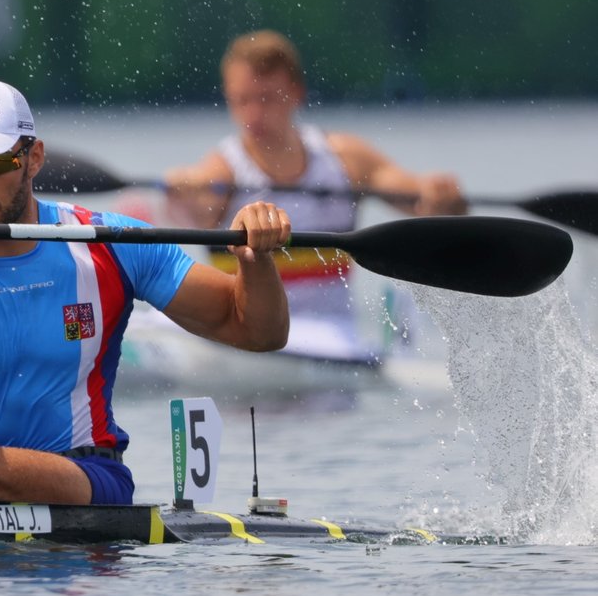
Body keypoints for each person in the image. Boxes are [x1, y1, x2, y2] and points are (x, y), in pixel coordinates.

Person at [0, 78, 293, 506]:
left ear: (34, 158)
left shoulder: (107, 243)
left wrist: (256, 262)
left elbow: (257, 331)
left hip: (84, 475)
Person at [164, 30, 466, 360]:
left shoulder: (346, 158)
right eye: (241, 100)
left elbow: (417, 200)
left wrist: (436, 196)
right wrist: (181, 192)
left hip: (335, 338)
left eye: (266, 99)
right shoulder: (221, 171)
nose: (252, 115)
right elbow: (193, 213)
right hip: (249, 334)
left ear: (296, 93)